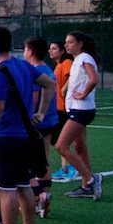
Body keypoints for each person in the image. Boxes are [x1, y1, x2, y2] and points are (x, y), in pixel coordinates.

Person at [0, 27, 53, 224]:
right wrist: (40, 113)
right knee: (23, 185)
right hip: (25, 135)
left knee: (5, 188)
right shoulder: (24, 66)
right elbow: (49, 84)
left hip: (5, 137)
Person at [57, 32, 102, 201]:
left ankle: (91, 179)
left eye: (70, 42)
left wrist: (82, 94)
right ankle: (86, 186)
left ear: (80, 44)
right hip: (77, 109)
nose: (66, 45)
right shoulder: (78, 59)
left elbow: (93, 79)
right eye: (66, 42)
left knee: (61, 146)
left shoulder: (85, 58)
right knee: (80, 147)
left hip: (81, 110)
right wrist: (66, 89)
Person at [22, 37, 61, 219]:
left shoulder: (34, 71)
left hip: (37, 123)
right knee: (44, 159)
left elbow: (35, 98)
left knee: (26, 163)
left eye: (24, 49)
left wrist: (30, 116)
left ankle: (37, 196)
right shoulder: (47, 69)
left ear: (30, 51)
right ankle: (43, 198)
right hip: (50, 120)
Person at [47, 41, 76, 182]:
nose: (50, 51)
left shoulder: (67, 63)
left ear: (61, 51)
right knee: (57, 139)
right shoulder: (58, 66)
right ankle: (65, 168)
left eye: (54, 49)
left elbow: (72, 76)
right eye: (50, 49)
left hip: (64, 108)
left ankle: (71, 166)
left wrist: (65, 87)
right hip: (57, 107)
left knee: (59, 140)